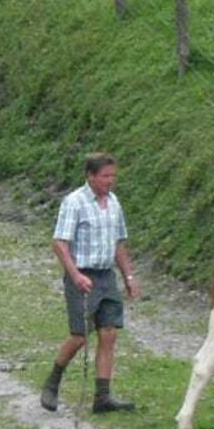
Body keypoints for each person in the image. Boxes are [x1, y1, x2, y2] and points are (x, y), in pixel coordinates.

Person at [40, 152, 141, 413]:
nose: (111, 181)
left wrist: (128, 276)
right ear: (91, 176)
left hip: (106, 275)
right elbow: (60, 243)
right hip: (81, 274)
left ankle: (103, 397)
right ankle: (53, 382)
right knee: (79, 336)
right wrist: (75, 275)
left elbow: (118, 243)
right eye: (106, 176)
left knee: (109, 334)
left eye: (113, 175)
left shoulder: (114, 202)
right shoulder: (74, 203)